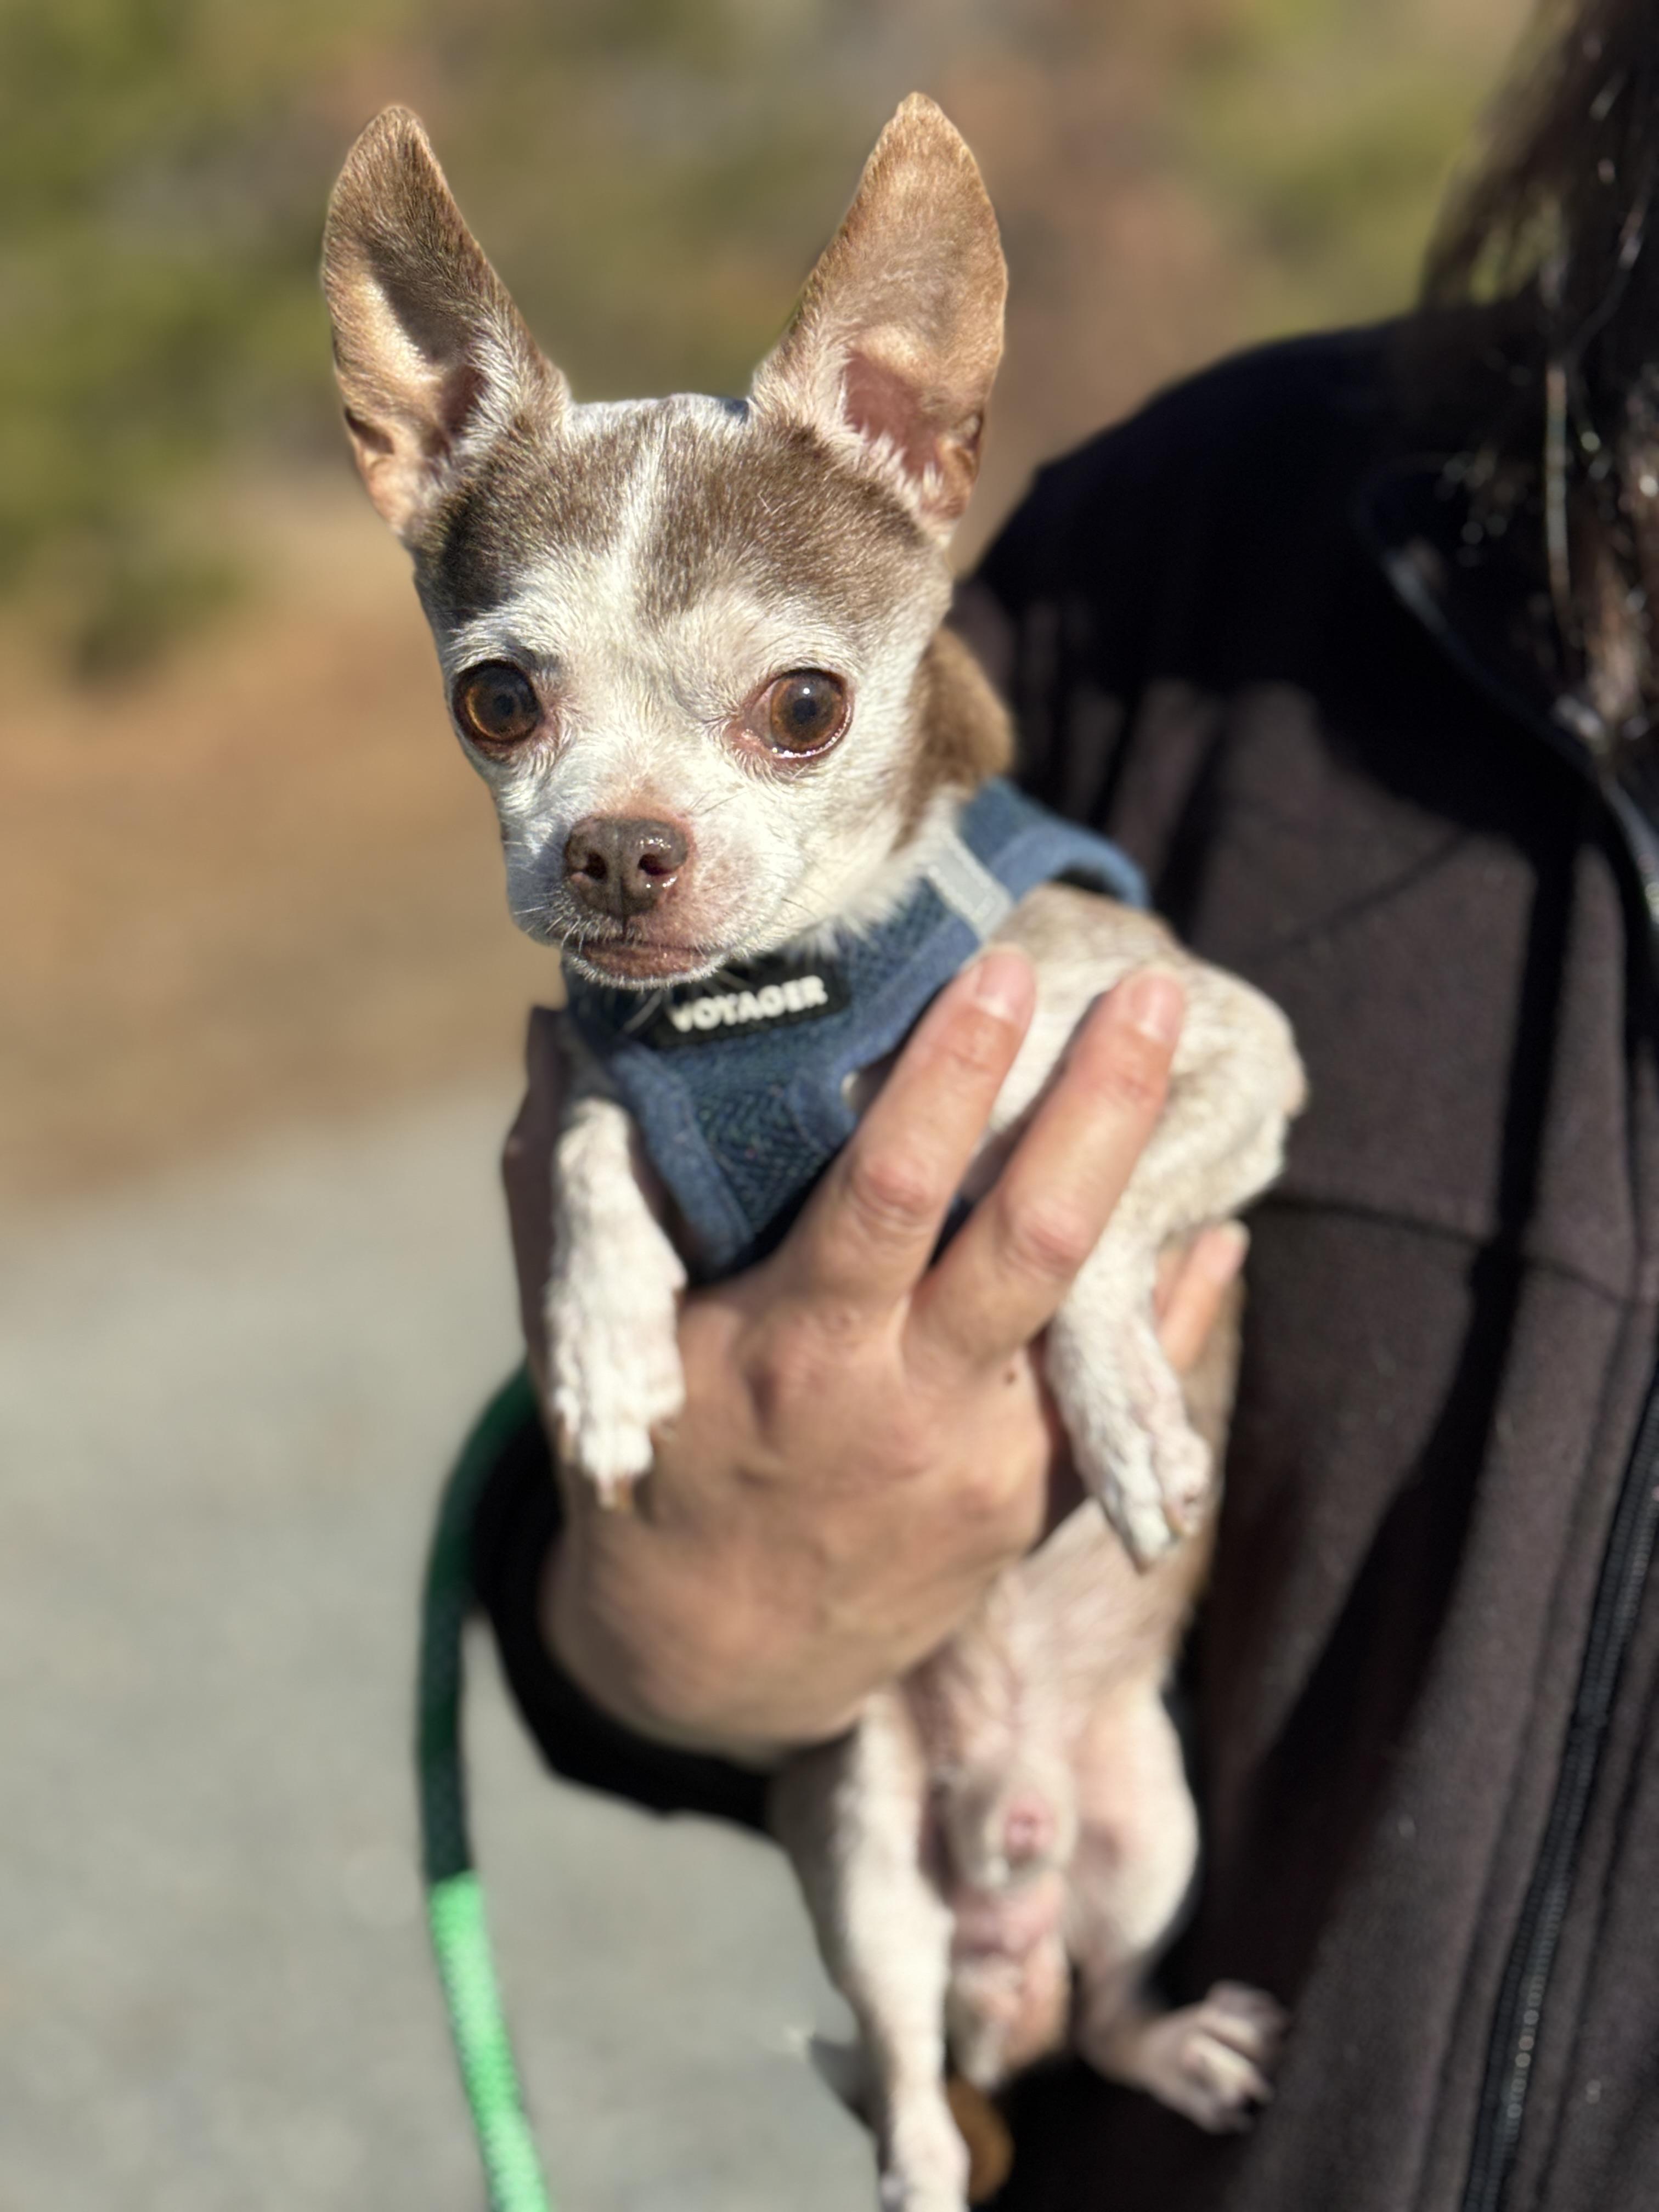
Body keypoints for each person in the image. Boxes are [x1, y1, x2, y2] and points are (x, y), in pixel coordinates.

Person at [472, 3, 1659, 2204]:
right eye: (513, 702)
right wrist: (662, 1624)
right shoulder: (1179, 561)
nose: (629, 826)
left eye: (789, 712)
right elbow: (626, 1539)